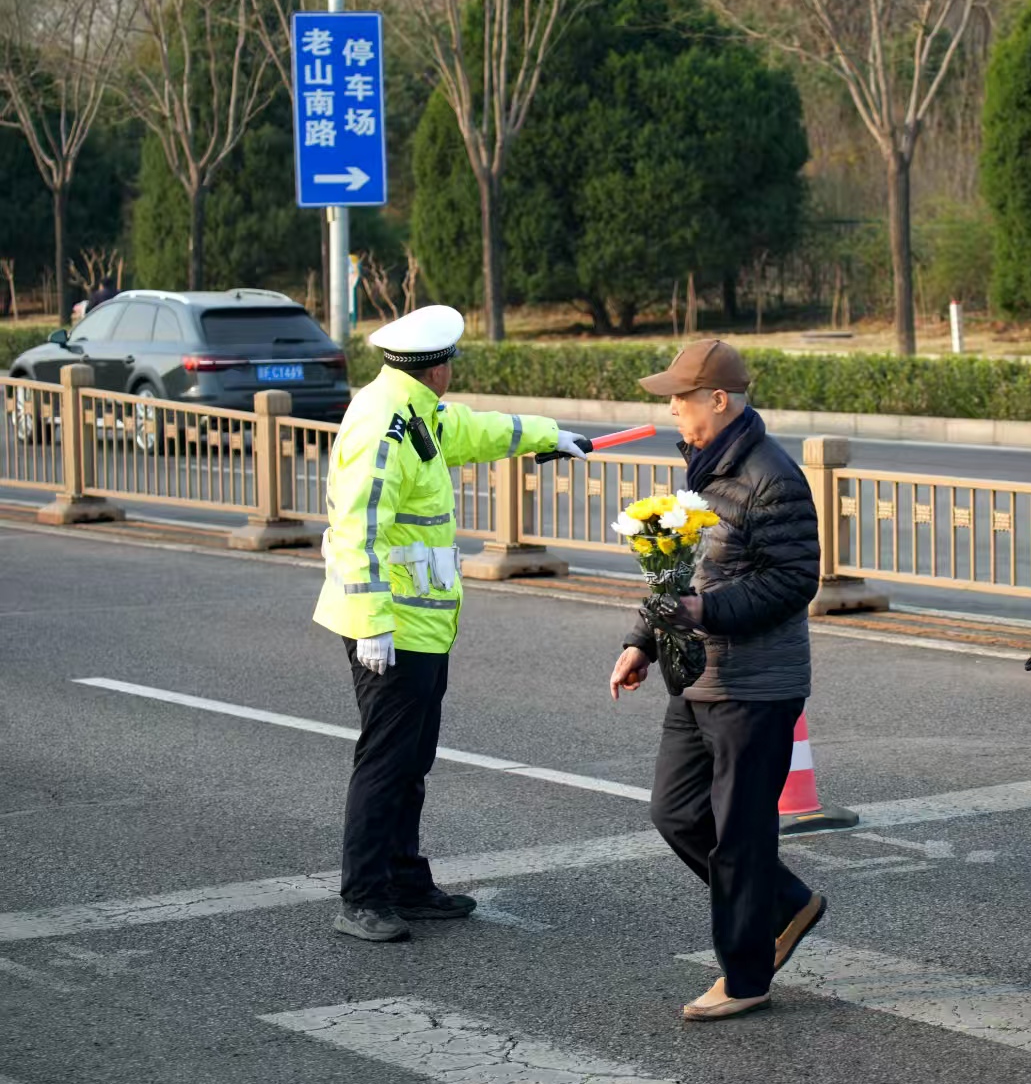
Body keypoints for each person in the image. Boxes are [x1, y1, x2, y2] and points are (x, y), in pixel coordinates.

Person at [314, 305, 589, 943]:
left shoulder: (416, 410)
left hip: (422, 624)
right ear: (437, 367)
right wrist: (371, 622)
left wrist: (548, 435)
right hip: (391, 628)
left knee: (412, 761)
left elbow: (471, 430)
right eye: (450, 365)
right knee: (385, 762)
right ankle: (362, 897)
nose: (451, 378)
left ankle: (406, 882)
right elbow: (358, 528)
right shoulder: (386, 422)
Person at [609, 339, 826, 1022]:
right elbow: (677, 575)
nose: (671, 410)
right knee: (674, 811)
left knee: (739, 834)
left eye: (679, 398)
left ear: (719, 400)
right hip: (697, 673)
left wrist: (704, 611)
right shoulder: (702, 470)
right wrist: (641, 640)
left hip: (756, 685)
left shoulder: (772, 476)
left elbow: (794, 582)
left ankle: (744, 977)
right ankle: (787, 903)